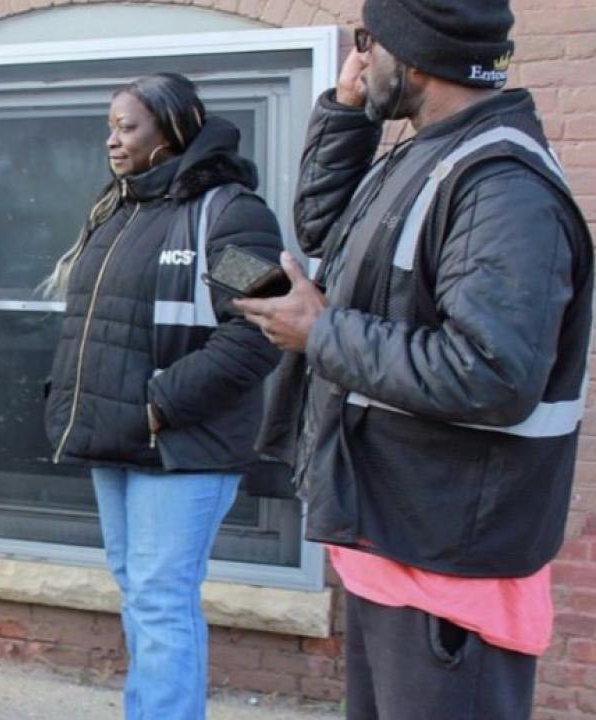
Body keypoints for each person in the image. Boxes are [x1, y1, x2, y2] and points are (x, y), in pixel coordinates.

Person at [234, 2, 592, 717]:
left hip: (450, 561)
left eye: (368, 43)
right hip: (396, 538)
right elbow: (322, 227)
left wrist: (320, 333)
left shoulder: (501, 187)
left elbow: (492, 374)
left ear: (417, 58)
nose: (358, 61)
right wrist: (345, 112)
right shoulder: (425, 150)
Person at [42, 73, 284, 720]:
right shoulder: (120, 208)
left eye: (128, 127)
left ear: (174, 129)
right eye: (110, 127)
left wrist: (159, 404)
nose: (112, 142)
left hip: (181, 444)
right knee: (140, 594)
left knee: (160, 598)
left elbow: (263, 331)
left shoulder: (229, 215)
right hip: (116, 438)